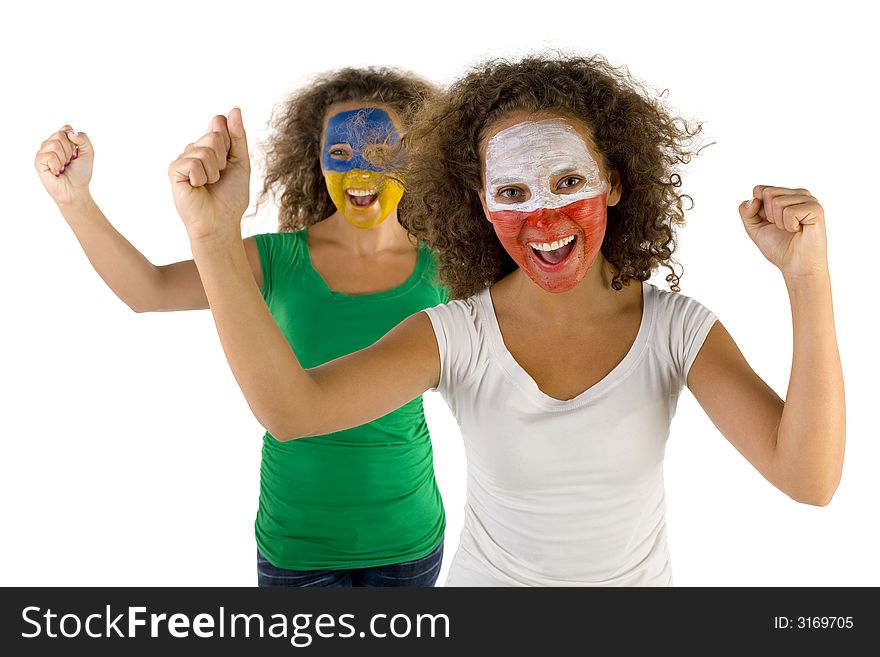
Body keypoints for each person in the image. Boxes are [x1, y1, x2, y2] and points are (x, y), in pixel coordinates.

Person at [167, 55, 845, 587]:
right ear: (482, 205)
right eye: (513, 192)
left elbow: (809, 479)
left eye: (567, 183)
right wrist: (212, 235)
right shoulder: (458, 332)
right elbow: (292, 410)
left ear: (612, 179)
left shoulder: (676, 330)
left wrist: (806, 278)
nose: (543, 222)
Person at [33, 67, 447, 588]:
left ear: (418, 154)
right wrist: (75, 200)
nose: (361, 170)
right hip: (299, 542)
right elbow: (150, 290)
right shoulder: (277, 259)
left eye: (383, 151)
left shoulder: (445, 268)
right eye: (340, 154)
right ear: (315, 160)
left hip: (407, 539)